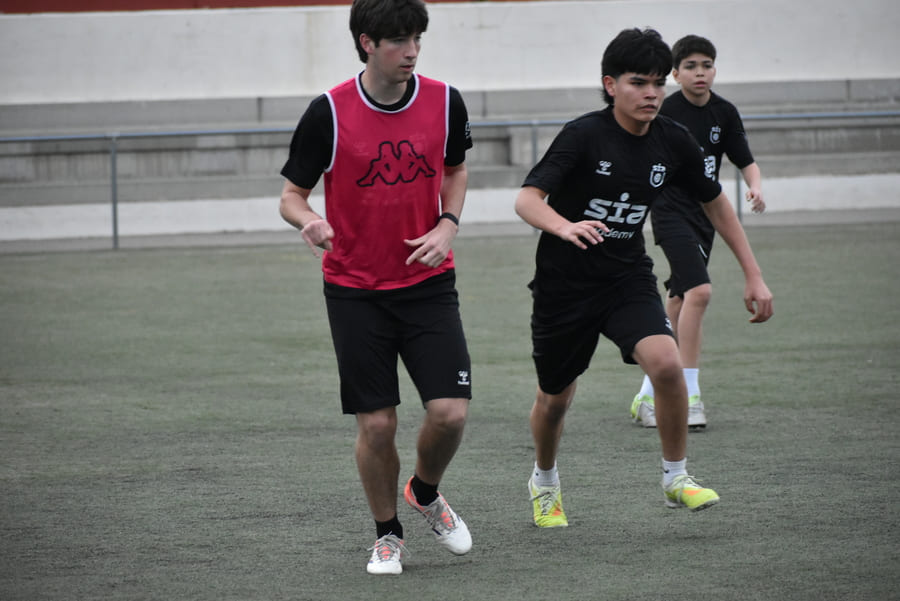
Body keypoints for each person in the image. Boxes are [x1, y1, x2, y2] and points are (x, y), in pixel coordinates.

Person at [515, 28, 773, 528]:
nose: (652, 93)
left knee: (668, 365)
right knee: (554, 400)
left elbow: (717, 202)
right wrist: (565, 226)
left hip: (625, 277)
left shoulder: (673, 140)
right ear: (611, 84)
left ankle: (676, 477)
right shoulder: (583, 135)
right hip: (564, 287)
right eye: (639, 82)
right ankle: (544, 482)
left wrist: (754, 275)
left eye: (658, 83)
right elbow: (527, 199)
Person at [279, 0, 473, 575]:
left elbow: (456, 168)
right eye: (399, 42)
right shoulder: (329, 112)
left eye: (417, 39)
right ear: (367, 43)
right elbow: (291, 194)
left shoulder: (444, 100)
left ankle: (425, 491)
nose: (412, 51)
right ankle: (387, 534)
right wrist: (307, 220)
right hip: (355, 291)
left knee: (450, 414)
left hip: (428, 284)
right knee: (379, 423)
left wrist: (447, 224)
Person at [631, 34, 766, 430]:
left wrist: (755, 184)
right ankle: (688, 396)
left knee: (678, 299)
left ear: (714, 69)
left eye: (706, 64)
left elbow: (745, 160)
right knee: (700, 291)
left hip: (706, 214)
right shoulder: (664, 112)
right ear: (675, 74)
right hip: (669, 208)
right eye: (690, 66)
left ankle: (646, 395)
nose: (699, 72)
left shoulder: (724, 113)